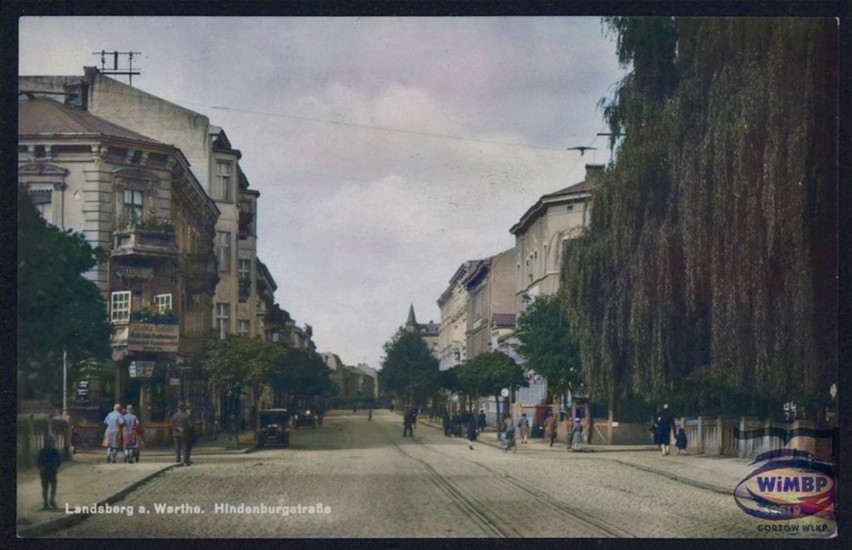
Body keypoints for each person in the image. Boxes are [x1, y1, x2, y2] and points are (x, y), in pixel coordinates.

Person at [37, 436, 62, 510]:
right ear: (46, 442)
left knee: (53, 486)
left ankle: (52, 500)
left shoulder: (55, 451)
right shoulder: (42, 451)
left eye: (52, 442)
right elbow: (38, 461)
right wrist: (40, 467)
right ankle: (45, 503)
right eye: (49, 442)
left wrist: (56, 466)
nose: (50, 443)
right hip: (44, 472)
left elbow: (59, 461)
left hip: (52, 471)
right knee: (45, 488)